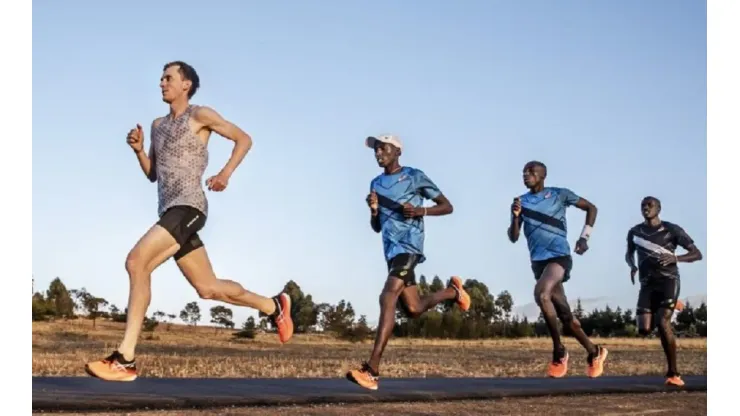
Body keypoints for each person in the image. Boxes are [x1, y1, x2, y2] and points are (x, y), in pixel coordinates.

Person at [84, 61, 293, 382]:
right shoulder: (157, 125)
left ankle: (124, 357)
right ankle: (272, 306)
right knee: (208, 288)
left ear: (186, 85)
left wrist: (225, 174)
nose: (162, 83)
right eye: (161, 78)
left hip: (189, 207)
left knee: (137, 262)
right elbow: (154, 174)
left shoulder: (200, 115)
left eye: (169, 78)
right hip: (169, 210)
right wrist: (139, 151)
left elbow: (244, 139)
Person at [345, 134, 471, 391]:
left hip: (410, 246)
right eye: (376, 149)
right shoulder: (376, 183)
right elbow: (376, 227)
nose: (378, 152)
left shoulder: (414, 176)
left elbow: (447, 206)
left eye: (384, 148)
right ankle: (452, 292)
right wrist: (373, 211)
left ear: (397, 151)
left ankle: (372, 369)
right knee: (413, 308)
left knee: (387, 296)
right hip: (391, 252)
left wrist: (420, 211)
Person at [508, 161, 608, 378]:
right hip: (538, 262)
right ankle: (594, 351)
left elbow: (592, 208)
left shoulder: (559, 194)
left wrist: (584, 237)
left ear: (543, 175)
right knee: (566, 317)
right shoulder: (520, 202)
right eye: (524, 171)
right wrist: (516, 217)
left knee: (541, 294)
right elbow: (513, 237)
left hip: (559, 257)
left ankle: (559, 351)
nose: (526, 175)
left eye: (531, 172)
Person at [625, 196, 702, 387]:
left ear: (659, 208)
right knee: (643, 329)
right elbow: (628, 253)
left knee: (663, 322)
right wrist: (632, 266)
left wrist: (676, 258)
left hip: (668, 280)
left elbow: (697, 254)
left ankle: (673, 373)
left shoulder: (671, 230)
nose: (646, 208)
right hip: (647, 284)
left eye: (650, 205)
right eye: (643, 205)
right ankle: (667, 303)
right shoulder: (635, 232)